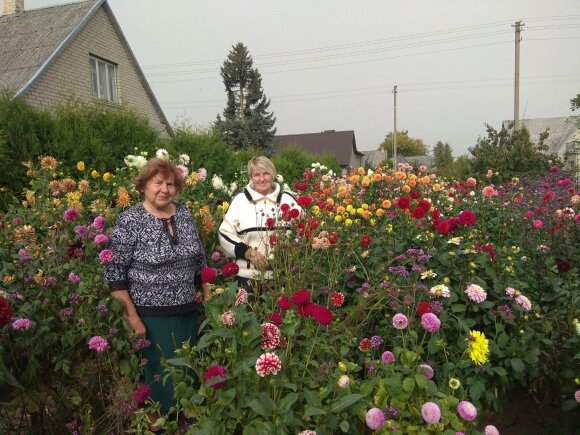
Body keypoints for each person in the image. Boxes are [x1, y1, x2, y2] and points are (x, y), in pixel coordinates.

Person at [103, 158, 211, 430]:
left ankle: (187, 426)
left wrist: (207, 290)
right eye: (158, 183)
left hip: (187, 314)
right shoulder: (131, 220)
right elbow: (115, 275)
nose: (164, 189)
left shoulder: (184, 214)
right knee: (158, 384)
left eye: (170, 184)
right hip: (151, 320)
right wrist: (133, 318)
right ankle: (158, 428)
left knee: (189, 377)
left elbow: (200, 259)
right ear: (143, 186)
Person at [218, 156, 301, 289]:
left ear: (273, 174)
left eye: (266, 173)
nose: (262, 179)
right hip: (247, 277)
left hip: (283, 276)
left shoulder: (287, 199)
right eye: (256, 175)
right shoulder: (240, 201)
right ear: (251, 177)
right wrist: (248, 252)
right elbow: (224, 233)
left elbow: (304, 228)